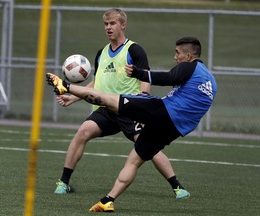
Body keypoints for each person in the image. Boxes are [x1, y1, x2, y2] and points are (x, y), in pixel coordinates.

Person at [46, 36, 217, 212]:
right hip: (173, 129)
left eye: (177, 53)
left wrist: (138, 73)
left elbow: (169, 77)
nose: (175, 57)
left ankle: (65, 86)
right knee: (134, 160)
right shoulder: (211, 81)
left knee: (109, 100)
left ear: (189, 56)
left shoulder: (191, 66)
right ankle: (108, 200)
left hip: (162, 112)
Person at [53, 8, 189, 200]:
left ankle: (177, 186)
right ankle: (64, 182)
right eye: (106, 24)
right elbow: (96, 84)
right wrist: (73, 97)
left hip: (129, 109)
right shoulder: (101, 54)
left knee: (148, 144)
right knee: (82, 132)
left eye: (113, 23)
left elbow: (145, 77)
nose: (108, 27)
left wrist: (144, 99)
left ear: (123, 25)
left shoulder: (134, 50)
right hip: (105, 109)